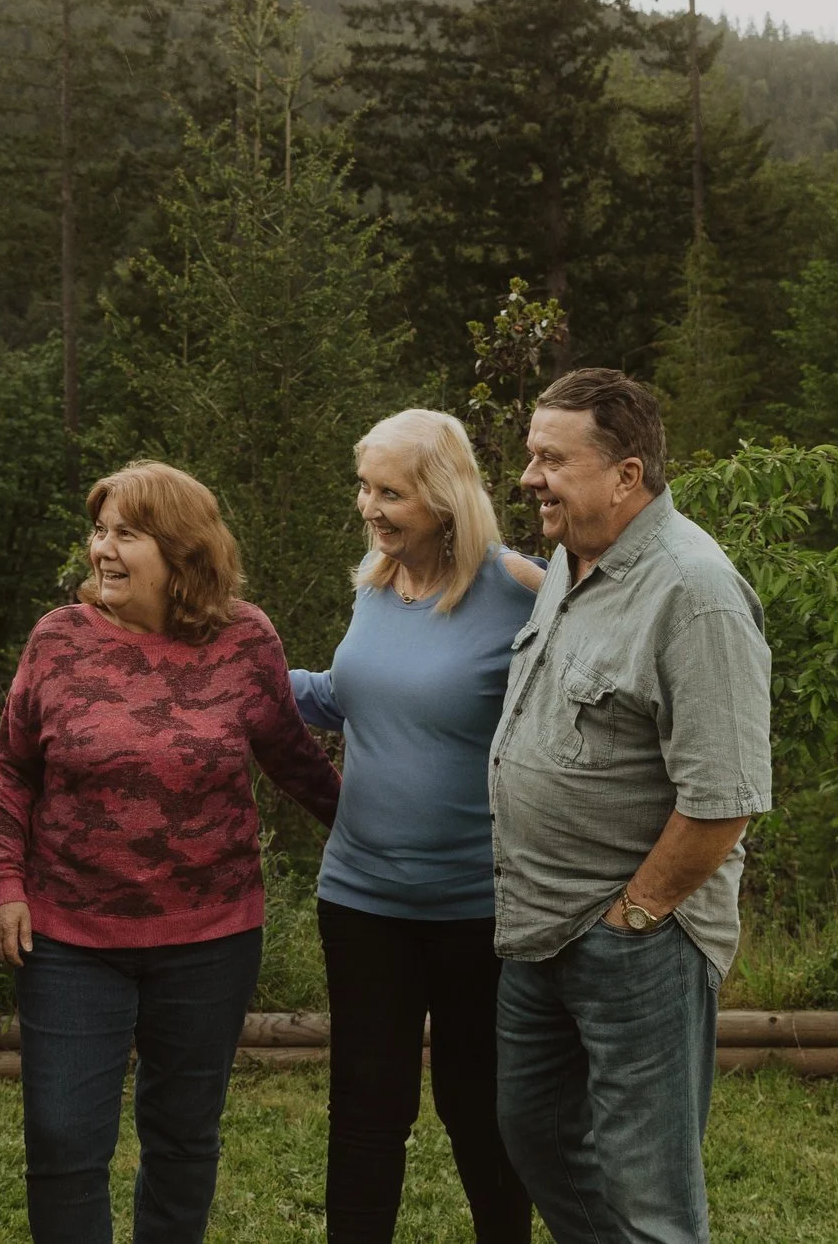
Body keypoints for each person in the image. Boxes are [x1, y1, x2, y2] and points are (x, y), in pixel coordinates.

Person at [0, 461, 341, 1244]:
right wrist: (3, 880)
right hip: (71, 935)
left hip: (211, 937)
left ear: (181, 549)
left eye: (125, 534)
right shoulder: (58, 638)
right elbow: (14, 770)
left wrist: (391, 835)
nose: (102, 548)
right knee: (64, 1139)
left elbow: (295, 761)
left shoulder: (245, 638)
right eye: (99, 529)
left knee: (182, 1137)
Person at [488, 368, 773, 1244]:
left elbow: (724, 800)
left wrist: (635, 916)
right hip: (539, 928)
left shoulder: (695, 592)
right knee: (534, 1130)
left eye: (551, 459)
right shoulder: (574, 563)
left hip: (635, 939)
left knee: (649, 1189)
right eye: (530, 454)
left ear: (627, 474)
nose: (530, 476)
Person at [288, 409, 543, 1244]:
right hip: (362, 899)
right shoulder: (375, 584)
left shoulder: (522, 587)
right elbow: (346, 696)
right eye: (364, 487)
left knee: (478, 1105)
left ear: (442, 498)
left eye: (390, 491)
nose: (370, 506)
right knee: (366, 1107)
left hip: (478, 905)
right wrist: (244, 668)